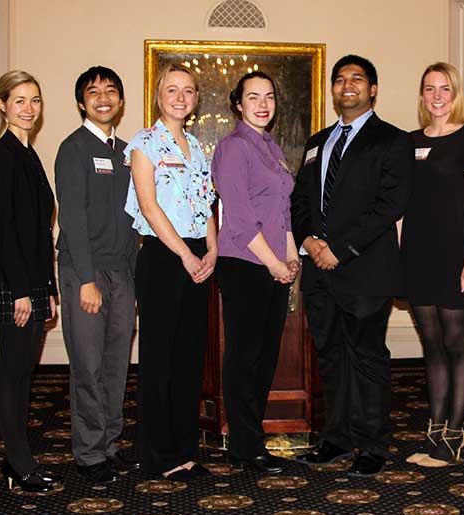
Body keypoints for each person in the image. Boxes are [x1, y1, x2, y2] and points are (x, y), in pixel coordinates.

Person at [291, 55, 413, 477]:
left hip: (363, 270)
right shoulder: (315, 143)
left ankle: (372, 445)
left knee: (366, 358)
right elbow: (300, 201)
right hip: (319, 273)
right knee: (330, 357)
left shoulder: (393, 141)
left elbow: (389, 205)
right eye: (340, 80)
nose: (348, 86)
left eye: (357, 79)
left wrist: (339, 249)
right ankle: (337, 440)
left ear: (373, 89)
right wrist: (308, 240)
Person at [125, 64, 217, 481]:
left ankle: (184, 449)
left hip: (199, 257)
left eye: (188, 91)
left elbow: (207, 205)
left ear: (195, 98)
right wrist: (185, 254)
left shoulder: (198, 147)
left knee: (188, 360)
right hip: (164, 257)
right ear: (158, 94)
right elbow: (149, 206)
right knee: (160, 360)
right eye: (172, 90)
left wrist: (212, 249)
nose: (180, 97)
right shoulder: (144, 143)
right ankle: (158, 454)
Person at [55, 66, 140, 484]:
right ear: (81, 102)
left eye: (110, 91)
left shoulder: (127, 152)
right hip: (83, 271)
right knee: (87, 366)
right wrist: (86, 279)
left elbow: (135, 219)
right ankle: (89, 453)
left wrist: (134, 283)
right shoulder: (73, 148)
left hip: (121, 272)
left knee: (116, 364)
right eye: (93, 92)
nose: (103, 97)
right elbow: (71, 217)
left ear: (121, 101)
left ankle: (109, 443)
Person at [401, 62, 464, 468]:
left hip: (456, 255)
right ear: (421, 95)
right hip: (419, 255)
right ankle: (434, 430)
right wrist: (401, 255)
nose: (437, 96)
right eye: (430, 88)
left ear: (456, 95)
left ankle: (454, 435)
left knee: (458, 345)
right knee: (432, 347)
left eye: (445, 89)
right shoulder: (410, 142)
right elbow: (402, 207)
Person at [212, 71, 298, 475]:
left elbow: (284, 211)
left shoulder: (271, 147)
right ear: (238, 104)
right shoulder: (232, 148)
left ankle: (253, 436)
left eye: (269, 97)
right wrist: (276, 262)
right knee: (244, 357)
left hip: (273, 265)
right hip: (245, 265)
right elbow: (242, 221)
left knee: (265, 358)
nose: (262, 104)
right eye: (253, 97)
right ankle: (244, 445)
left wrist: (292, 255)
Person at [0, 70, 60, 493]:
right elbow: (6, 231)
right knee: (13, 373)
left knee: (24, 371)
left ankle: (18, 458)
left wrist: (48, 288)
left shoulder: (28, 154)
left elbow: (38, 232)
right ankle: (18, 462)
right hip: (16, 283)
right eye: (20, 101)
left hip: (33, 282)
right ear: (2, 105)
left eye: (35, 100)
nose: (29, 109)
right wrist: (27, 291)